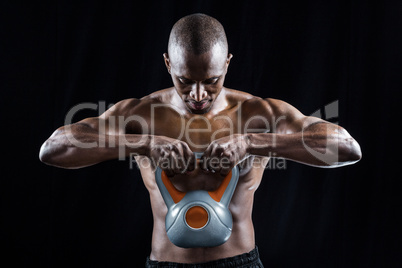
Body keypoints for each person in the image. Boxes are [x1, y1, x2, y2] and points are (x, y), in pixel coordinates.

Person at [39, 13, 362, 268]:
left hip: (240, 263)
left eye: (211, 81)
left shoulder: (258, 112)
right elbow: (53, 149)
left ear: (227, 64)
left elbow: (347, 147)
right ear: (168, 64)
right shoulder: (140, 114)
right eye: (184, 80)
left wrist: (252, 143)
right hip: (166, 263)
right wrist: (144, 144)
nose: (197, 94)